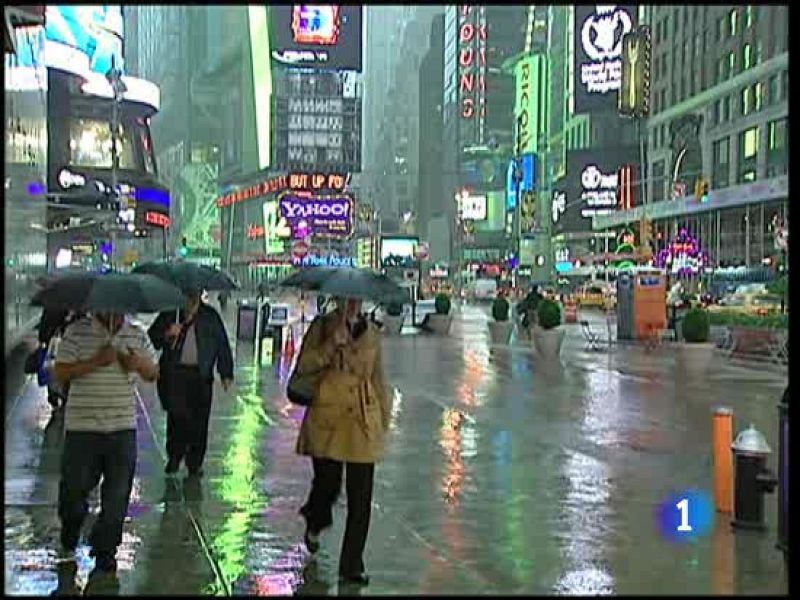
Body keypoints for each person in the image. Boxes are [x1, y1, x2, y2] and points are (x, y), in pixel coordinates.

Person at [294, 296, 391, 586]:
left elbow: (379, 378)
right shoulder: (322, 327)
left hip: (362, 418)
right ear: (337, 299)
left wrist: (383, 419)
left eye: (357, 300)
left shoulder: (372, 333)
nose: (352, 304)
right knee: (328, 485)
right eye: (347, 299)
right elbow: (303, 365)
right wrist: (329, 346)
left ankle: (351, 564)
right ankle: (314, 522)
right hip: (328, 418)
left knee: (361, 498)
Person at [53, 311, 159, 572]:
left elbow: (153, 372)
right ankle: (71, 529)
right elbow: (61, 371)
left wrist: (137, 364)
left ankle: (106, 549)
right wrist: (96, 361)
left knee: (117, 498)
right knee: (74, 492)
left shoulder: (136, 335)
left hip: (121, 430)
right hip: (82, 430)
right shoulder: (76, 332)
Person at [148, 290, 234, 477]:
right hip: (175, 375)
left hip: (201, 376)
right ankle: (174, 456)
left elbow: (221, 344)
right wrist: (167, 334)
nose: (191, 297)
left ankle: (195, 462)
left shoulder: (210, 317)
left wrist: (225, 372)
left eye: (194, 293)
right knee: (177, 418)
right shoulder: (170, 314)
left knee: (199, 421)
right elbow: (152, 339)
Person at [37, 307, 69, 409]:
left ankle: (53, 397)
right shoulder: (71, 308)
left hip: (51, 347)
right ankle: (64, 397)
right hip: (66, 348)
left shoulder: (49, 308)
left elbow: (42, 333)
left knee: (50, 369)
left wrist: (46, 339)